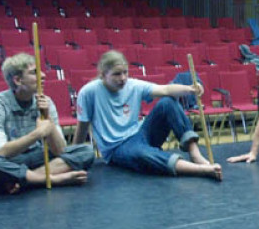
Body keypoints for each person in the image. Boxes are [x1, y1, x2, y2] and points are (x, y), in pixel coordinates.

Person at [73, 50, 222, 180]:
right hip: (116, 149)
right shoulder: (88, 92)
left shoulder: (132, 85)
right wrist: (73, 159)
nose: (123, 78)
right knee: (142, 154)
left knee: (167, 102)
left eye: (125, 72)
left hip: (140, 133)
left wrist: (190, 89)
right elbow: (82, 128)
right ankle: (199, 170)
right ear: (103, 74)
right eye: (117, 74)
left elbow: (165, 90)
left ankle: (194, 153)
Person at [0, 53, 94, 193]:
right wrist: (37, 134)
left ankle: (25, 181)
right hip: (11, 160)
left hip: (36, 157)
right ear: (18, 80)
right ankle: (51, 179)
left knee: (85, 151)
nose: (43, 75)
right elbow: (1, 152)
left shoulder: (46, 102)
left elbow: (60, 150)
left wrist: (47, 118)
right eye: (34, 72)